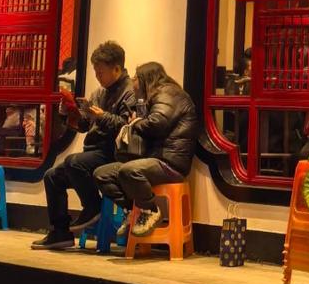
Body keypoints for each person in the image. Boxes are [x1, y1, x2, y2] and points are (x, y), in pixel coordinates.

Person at [33, 40, 137, 251]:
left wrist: (103, 116)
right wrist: (68, 113)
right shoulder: (99, 93)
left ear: (117, 69)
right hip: (93, 153)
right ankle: (60, 232)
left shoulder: (130, 92)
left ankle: (92, 207)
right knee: (51, 176)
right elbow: (84, 126)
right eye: (95, 72)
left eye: (101, 72)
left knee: (74, 162)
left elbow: (129, 129)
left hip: (114, 153)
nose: (97, 77)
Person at [93, 61, 197, 238]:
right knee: (102, 174)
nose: (133, 82)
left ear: (145, 78)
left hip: (170, 163)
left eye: (135, 78)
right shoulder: (155, 96)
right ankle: (133, 210)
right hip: (154, 159)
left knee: (129, 170)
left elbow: (157, 124)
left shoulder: (168, 93)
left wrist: (135, 122)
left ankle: (150, 210)